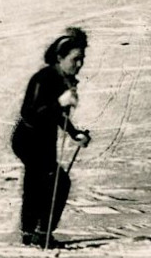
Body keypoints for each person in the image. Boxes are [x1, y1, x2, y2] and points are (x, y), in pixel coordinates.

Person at [11, 29, 92, 246]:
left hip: (44, 138)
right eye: (75, 59)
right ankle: (40, 233)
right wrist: (60, 103)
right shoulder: (43, 79)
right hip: (29, 138)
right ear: (59, 57)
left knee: (41, 183)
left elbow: (57, 114)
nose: (79, 64)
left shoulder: (63, 80)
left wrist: (75, 133)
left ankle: (32, 232)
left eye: (82, 59)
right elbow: (30, 113)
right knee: (55, 182)